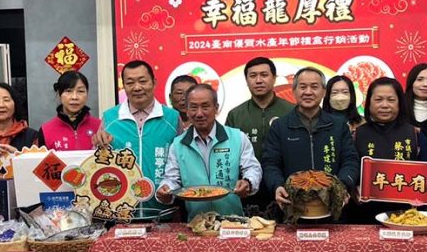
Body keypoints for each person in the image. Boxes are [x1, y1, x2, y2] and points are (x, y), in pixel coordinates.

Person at [156, 84, 262, 220]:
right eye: (193, 107)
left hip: (232, 222)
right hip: (196, 222)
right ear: (187, 110)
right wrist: (165, 189)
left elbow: (252, 168)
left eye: (205, 107)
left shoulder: (237, 137)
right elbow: (172, 178)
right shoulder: (178, 144)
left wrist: (248, 182)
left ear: (216, 108)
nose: (199, 113)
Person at [262, 66, 359, 207]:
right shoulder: (279, 126)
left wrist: (343, 184)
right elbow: (270, 163)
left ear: (324, 92)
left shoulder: (338, 125)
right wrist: (277, 185)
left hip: (333, 203)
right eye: (302, 87)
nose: (308, 92)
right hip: (292, 202)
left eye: (314, 87)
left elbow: (350, 160)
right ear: (294, 91)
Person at [93, 60, 182, 212]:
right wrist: (98, 144)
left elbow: (182, 161)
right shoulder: (110, 118)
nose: (137, 87)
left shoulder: (172, 118)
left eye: (142, 81)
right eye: (130, 83)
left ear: (154, 82)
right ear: (124, 86)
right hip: (120, 213)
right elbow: (97, 163)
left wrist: (170, 190)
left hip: (163, 212)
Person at [354, 77, 427, 222]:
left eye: (391, 100)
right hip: (364, 215)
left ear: (400, 103)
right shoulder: (355, 135)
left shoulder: (415, 135)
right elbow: (349, 169)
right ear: (368, 103)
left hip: (407, 217)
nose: (385, 105)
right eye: (378, 100)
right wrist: (353, 189)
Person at [225, 57, 294, 161]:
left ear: (274, 78)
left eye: (264, 75)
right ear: (246, 80)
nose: (258, 81)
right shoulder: (235, 115)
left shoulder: (291, 111)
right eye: (253, 76)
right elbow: (228, 151)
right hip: (245, 171)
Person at [38, 71, 101, 151]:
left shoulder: (101, 127)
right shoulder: (46, 131)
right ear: (59, 94)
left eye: (80, 91)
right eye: (68, 91)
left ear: (87, 94)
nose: (74, 97)